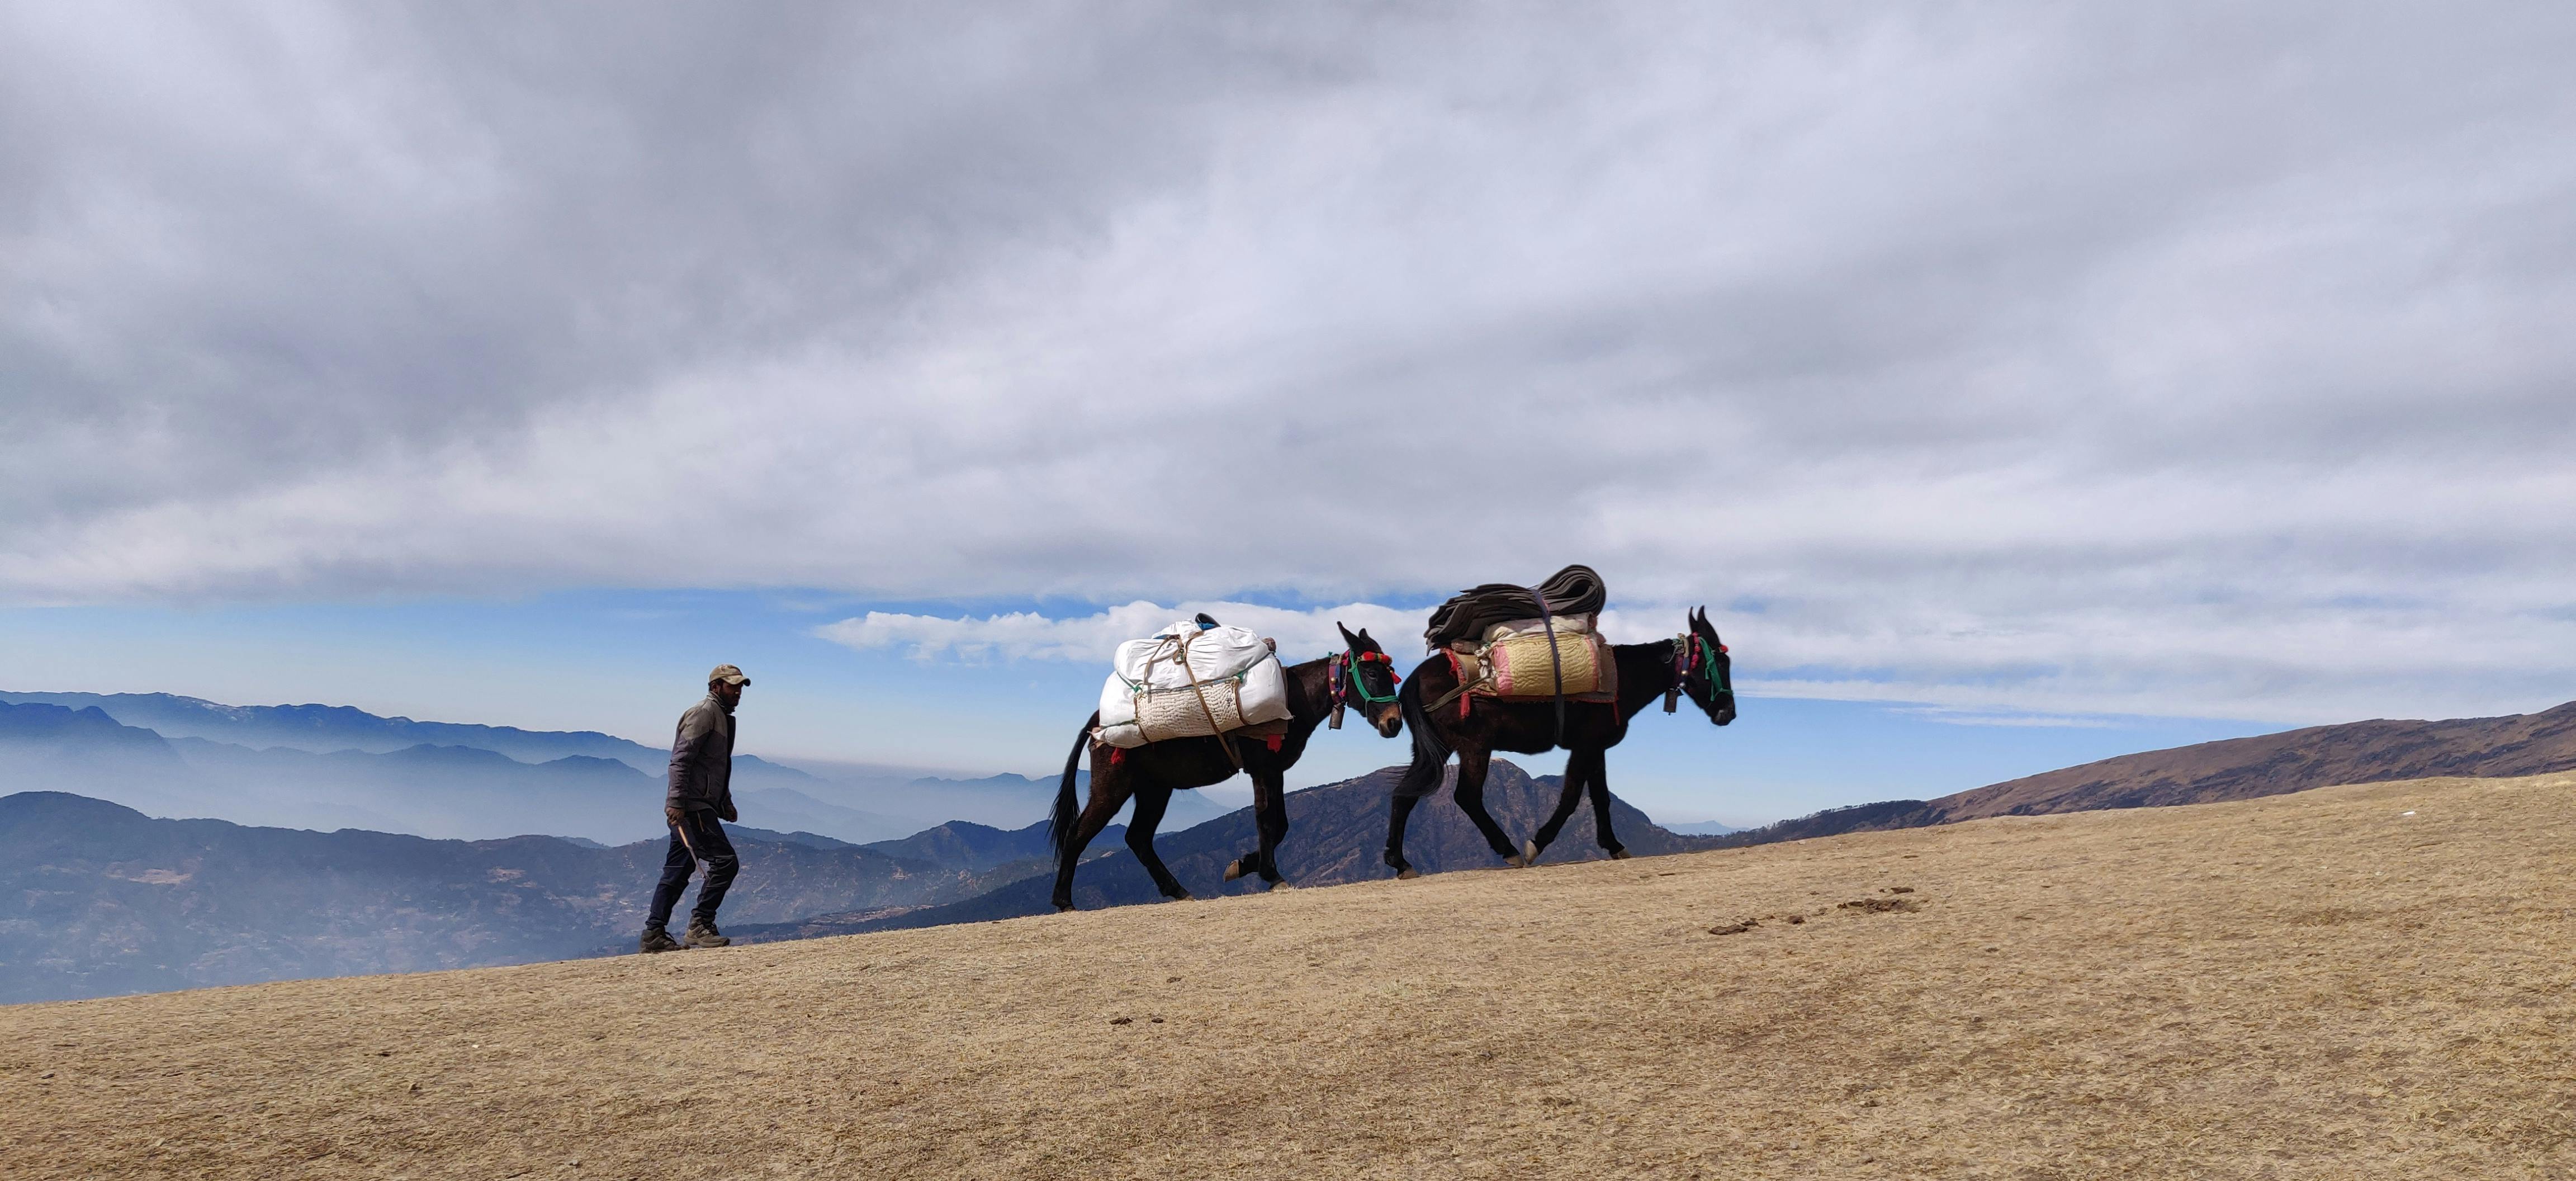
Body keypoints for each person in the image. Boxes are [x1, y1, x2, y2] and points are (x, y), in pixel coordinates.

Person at [640, 664, 748, 953]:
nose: (737, 691)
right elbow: (681, 760)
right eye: (731, 685)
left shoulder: (721, 716)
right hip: (692, 808)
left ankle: (654, 933)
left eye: (740, 686)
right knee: (726, 862)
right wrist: (676, 802)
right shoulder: (704, 714)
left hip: (699, 805)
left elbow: (713, 766)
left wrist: (724, 801)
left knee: (677, 870)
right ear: (716, 687)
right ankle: (700, 924)